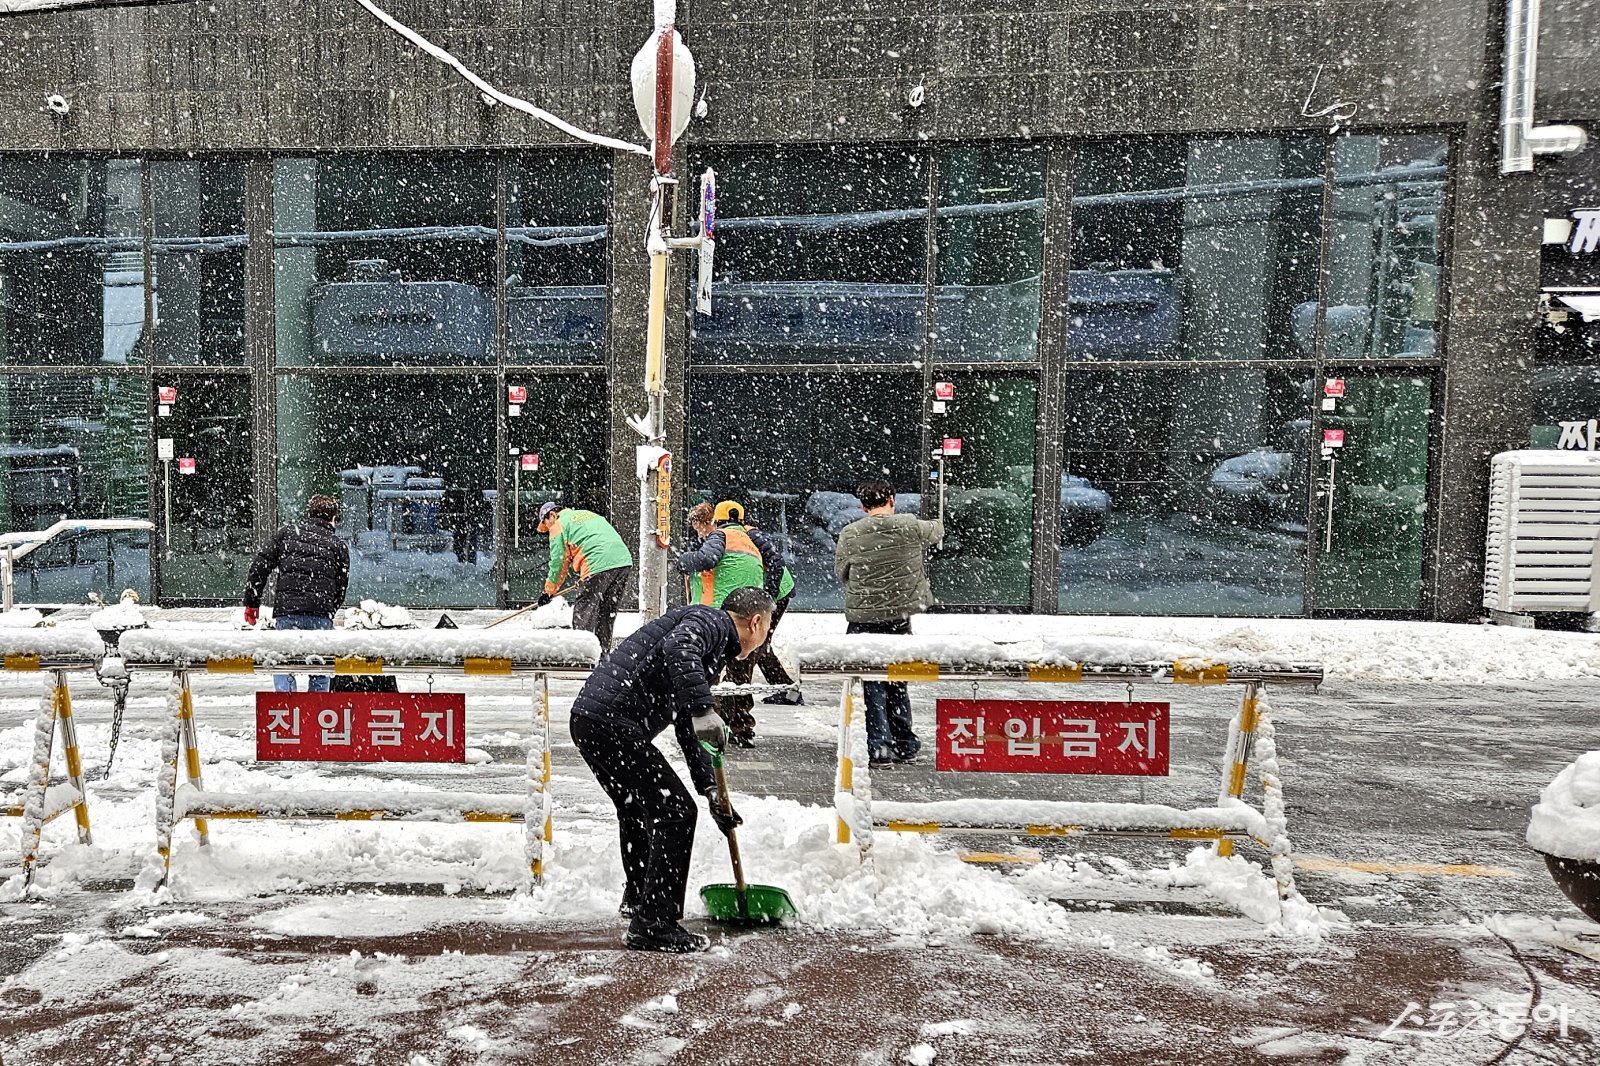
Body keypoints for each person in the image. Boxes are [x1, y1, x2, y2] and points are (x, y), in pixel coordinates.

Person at [569, 585, 776, 953]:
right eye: (766, 631)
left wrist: (710, 788)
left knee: (636, 806)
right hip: (611, 721)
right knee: (676, 812)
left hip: (590, 719)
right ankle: (654, 923)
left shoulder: (709, 643)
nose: (761, 644)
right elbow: (678, 650)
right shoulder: (711, 623)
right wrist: (703, 707)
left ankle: (639, 898)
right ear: (756, 622)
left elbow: (685, 722)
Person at [833, 479, 943, 767]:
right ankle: (904, 740)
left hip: (862, 619)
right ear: (892, 499)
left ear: (862, 505)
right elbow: (937, 530)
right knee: (897, 677)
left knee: (871, 683)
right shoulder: (910, 525)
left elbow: (842, 572)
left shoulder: (850, 533)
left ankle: (879, 744)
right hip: (899, 617)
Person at [674, 501, 790, 745]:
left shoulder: (723, 536)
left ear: (714, 521)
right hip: (747, 609)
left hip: (727, 613)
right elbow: (774, 563)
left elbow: (708, 559)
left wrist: (684, 561)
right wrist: (764, 598)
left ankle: (709, 726)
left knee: (712, 669)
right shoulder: (748, 538)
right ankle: (741, 726)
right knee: (742, 667)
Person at [242, 494, 351, 693]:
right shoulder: (338, 545)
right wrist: (329, 609)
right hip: (320, 614)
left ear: (309, 513)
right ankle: (317, 714)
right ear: (333, 518)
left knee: (285, 664)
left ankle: (286, 707)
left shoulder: (286, 534)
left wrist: (252, 603)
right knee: (319, 668)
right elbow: (341, 587)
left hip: (287, 612)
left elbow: (259, 566)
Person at [537, 502, 633, 649]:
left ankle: (581, 656)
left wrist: (549, 591)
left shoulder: (558, 524)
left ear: (552, 515)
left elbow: (558, 562)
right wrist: (585, 579)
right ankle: (602, 656)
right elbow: (592, 541)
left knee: (583, 613)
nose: (548, 528)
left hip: (597, 563)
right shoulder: (586, 515)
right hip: (622, 562)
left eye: (546, 523)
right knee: (606, 613)